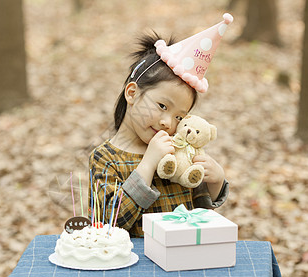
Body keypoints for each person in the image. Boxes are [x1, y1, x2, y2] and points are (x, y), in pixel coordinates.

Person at [89, 15, 233, 238]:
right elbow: (109, 222)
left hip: (180, 260)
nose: (168, 123)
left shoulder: (179, 152)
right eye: (162, 106)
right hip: (132, 266)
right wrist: (148, 164)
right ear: (132, 93)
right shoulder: (105, 158)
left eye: (179, 117)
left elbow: (199, 214)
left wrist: (215, 182)